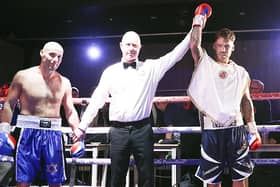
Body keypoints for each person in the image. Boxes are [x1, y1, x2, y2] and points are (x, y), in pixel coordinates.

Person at [73, 16, 193, 186]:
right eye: (128, 44)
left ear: (140, 47)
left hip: (142, 129)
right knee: (116, 177)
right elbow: (97, 100)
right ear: (121, 46)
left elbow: (176, 54)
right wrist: (82, 126)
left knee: (146, 177)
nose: (131, 48)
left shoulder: (150, 68)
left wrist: (196, 26)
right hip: (118, 131)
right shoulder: (110, 72)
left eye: (135, 45)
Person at [187, 4, 262, 187]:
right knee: (213, 181)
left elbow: (246, 101)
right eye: (219, 46)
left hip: (236, 130)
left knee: (241, 177)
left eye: (226, 46)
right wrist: (198, 20)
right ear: (214, 46)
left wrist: (252, 129)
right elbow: (194, 46)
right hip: (212, 131)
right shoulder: (206, 66)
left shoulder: (241, 72)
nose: (223, 49)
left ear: (233, 47)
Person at [0, 41, 80, 187]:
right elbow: (9, 104)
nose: (55, 59)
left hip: (53, 135)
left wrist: (78, 134)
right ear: (42, 53)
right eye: (51, 54)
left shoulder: (65, 82)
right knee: (23, 182)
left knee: (55, 182)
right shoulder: (23, 76)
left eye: (59, 57)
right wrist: (4, 131)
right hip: (27, 133)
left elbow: (70, 110)